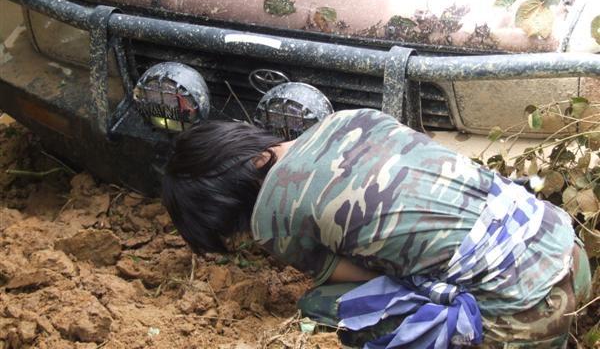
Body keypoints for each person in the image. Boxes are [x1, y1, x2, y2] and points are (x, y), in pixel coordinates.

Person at [162, 109, 591, 348]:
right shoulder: (347, 118)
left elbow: (370, 279)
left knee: (321, 303)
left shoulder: (270, 219)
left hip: (523, 317)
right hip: (566, 247)